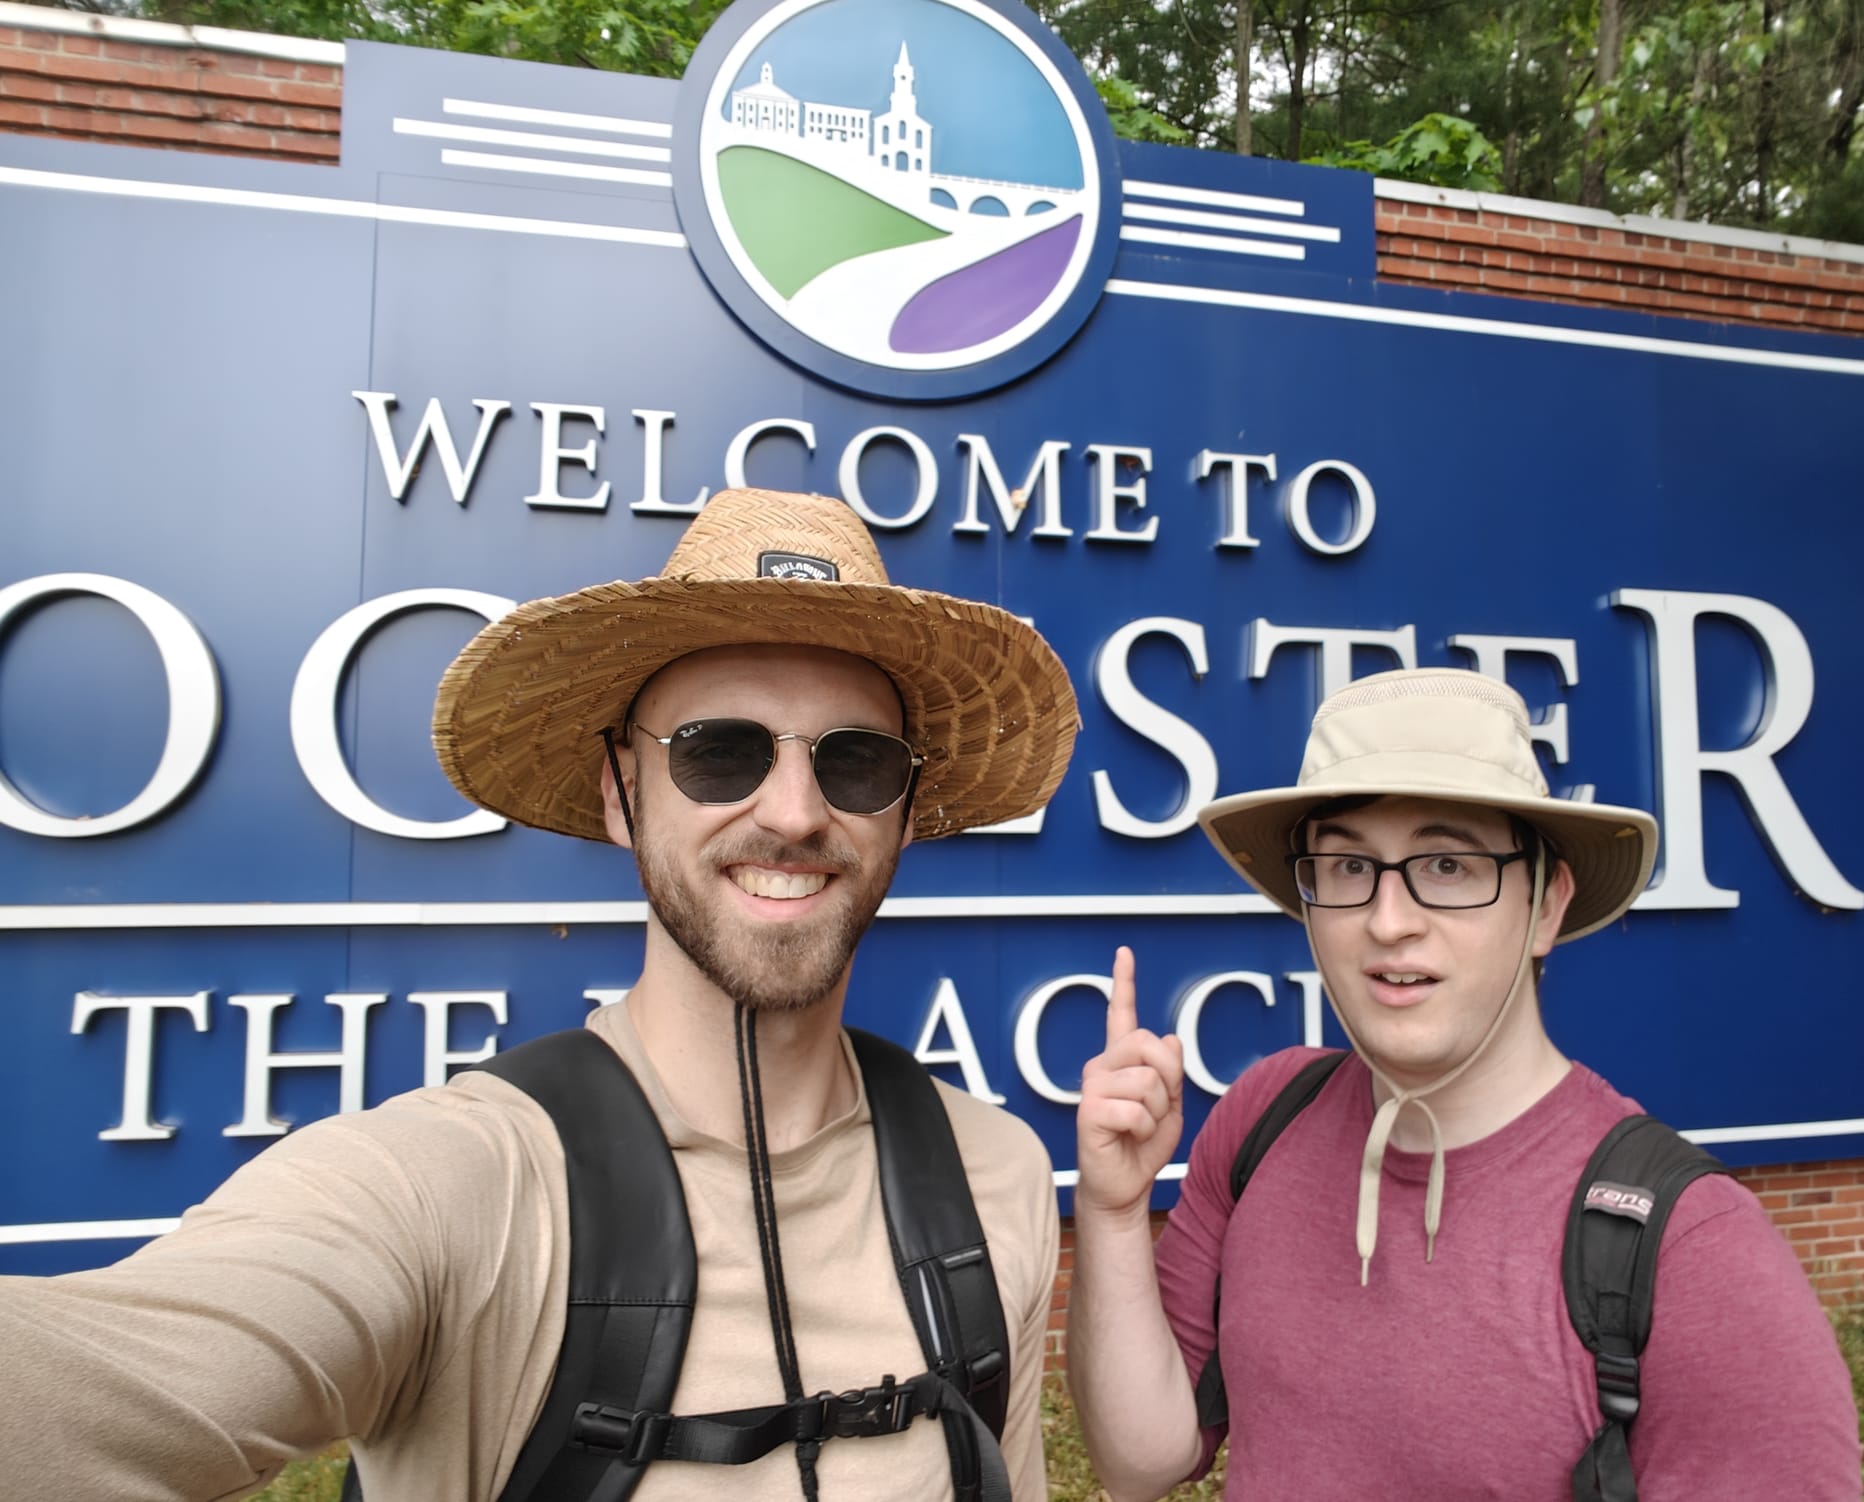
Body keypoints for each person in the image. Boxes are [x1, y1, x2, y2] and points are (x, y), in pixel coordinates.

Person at [0, 487, 1079, 1501]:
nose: (793, 810)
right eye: (719, 752)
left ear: (901, 807)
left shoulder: (996, 1174)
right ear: (622, 792)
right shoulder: (459, 1187)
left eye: (855, 761)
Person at [1066, 666, 1860, 1499]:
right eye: (1346, 867)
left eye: (1447, 864)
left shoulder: (1691, 1249)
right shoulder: (1266, 1118)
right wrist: (1113, 1211)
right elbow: (1140, 1463)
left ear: (1546, 903)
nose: (1388, 920)